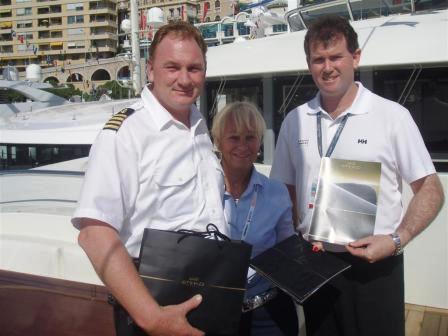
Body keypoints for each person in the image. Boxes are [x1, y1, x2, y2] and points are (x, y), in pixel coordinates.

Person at [270, 15, 444, 336]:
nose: (327, 67)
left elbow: (431, 189)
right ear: (309, 64)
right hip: (316, 262)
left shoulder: (392, 116)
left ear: (356, 57)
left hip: (375, 264)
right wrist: (296, 234)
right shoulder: (296, 120)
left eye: (336, 56)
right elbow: (285, 188)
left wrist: (396, 240)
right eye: (318, 59)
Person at [72, 21, 227, 336]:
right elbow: (95, 234)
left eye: (194, 68)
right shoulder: (126, 133)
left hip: (209, 296)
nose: (184, 79)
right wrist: (152, 319)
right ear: (151, 70)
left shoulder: (198, 127)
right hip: (154, 306)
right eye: (172, 67)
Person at [211, 101, 298, 336]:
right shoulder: (201, 191)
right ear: (218, 141)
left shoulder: (276, 193)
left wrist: (310, 254)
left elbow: (288, 250)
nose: (242, 145)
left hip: (267, 313)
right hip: (212, 313)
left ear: (259, 142)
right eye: (233, 137)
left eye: (250, 137)